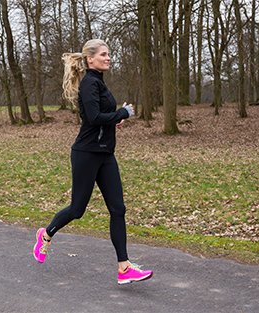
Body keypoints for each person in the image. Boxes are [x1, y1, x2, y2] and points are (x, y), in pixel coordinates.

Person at [33, 39, 152, 285]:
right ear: (90, 59)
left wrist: (114, 119)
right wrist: (121, 113)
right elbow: (95, 117)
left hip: (106, 154)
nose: (109, 58)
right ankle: (46, 234)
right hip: (87, 153)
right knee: (77, 210)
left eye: (109, 54)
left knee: (118, 209)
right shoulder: (89, 83)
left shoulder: (99, 83)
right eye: (104, 54)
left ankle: (124, 268)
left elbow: (94, 116)